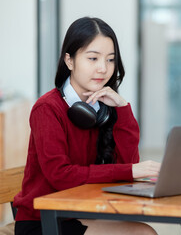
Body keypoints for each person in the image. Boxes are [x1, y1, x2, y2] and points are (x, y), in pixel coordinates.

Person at [13, 16, 161, 235]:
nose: (103, 68)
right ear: (69, 61)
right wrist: (130, 171)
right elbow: (60, 175)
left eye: (110, 60)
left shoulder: (102, 107)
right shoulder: (47, 108)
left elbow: (128, 166)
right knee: (143, 233)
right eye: (93, 58)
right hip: (43, 221)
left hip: (84, 211)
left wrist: (122, 108)